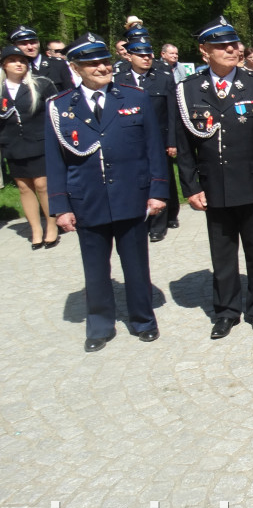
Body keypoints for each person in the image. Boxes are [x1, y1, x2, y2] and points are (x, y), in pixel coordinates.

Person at [45, 33, 168, 351]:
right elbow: (55, 162)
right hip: (87, 199)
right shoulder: (59, 107)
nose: (102, 67)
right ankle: (100, 326)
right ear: (75, 67)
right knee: (95, 268)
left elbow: (153, 148)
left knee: (136, 265)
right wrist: (60, 206)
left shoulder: (134, 98)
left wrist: (158, 191)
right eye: (92, 63)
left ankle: (143, 320)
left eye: (104, 60)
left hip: (131, 196)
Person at [175, 16, 253, 339]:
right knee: (222, 254)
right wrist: (190, 187)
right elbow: (183, 146)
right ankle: (226, 311)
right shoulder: (189, 90)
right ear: (204, 51)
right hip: (214, 186)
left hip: (252, 184)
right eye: (222, 46)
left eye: (234, 44)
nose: (231, 50)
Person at [1, 44, 60, 248]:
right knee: (24, 187)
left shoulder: (41, 84)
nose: (19, 64)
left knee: (43, 185)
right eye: (13, 61)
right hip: (13, 145)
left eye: (22, 61)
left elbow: (55, 114)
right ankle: (35, 229)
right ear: (4, 65)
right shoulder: (1, 89)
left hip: (40, 142)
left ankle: (51, 226)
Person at [122, 35, 180, 242]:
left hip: (160, 138)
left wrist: (173, 141)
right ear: (129, 57)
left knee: (161, 178)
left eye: (149, 55)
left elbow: (172, 112)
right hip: (132, 139)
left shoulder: (163, 77)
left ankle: (159, 224)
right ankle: (142, 217)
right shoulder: (120, 79)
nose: (146, 59)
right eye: (141, 55)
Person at [8, 25, 74, 92]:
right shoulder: (10, 69)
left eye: (33, 42)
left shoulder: (58, 65)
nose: (30, 47)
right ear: (14, 46)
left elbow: (70, 94)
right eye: (23, 44)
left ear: (38, 43)